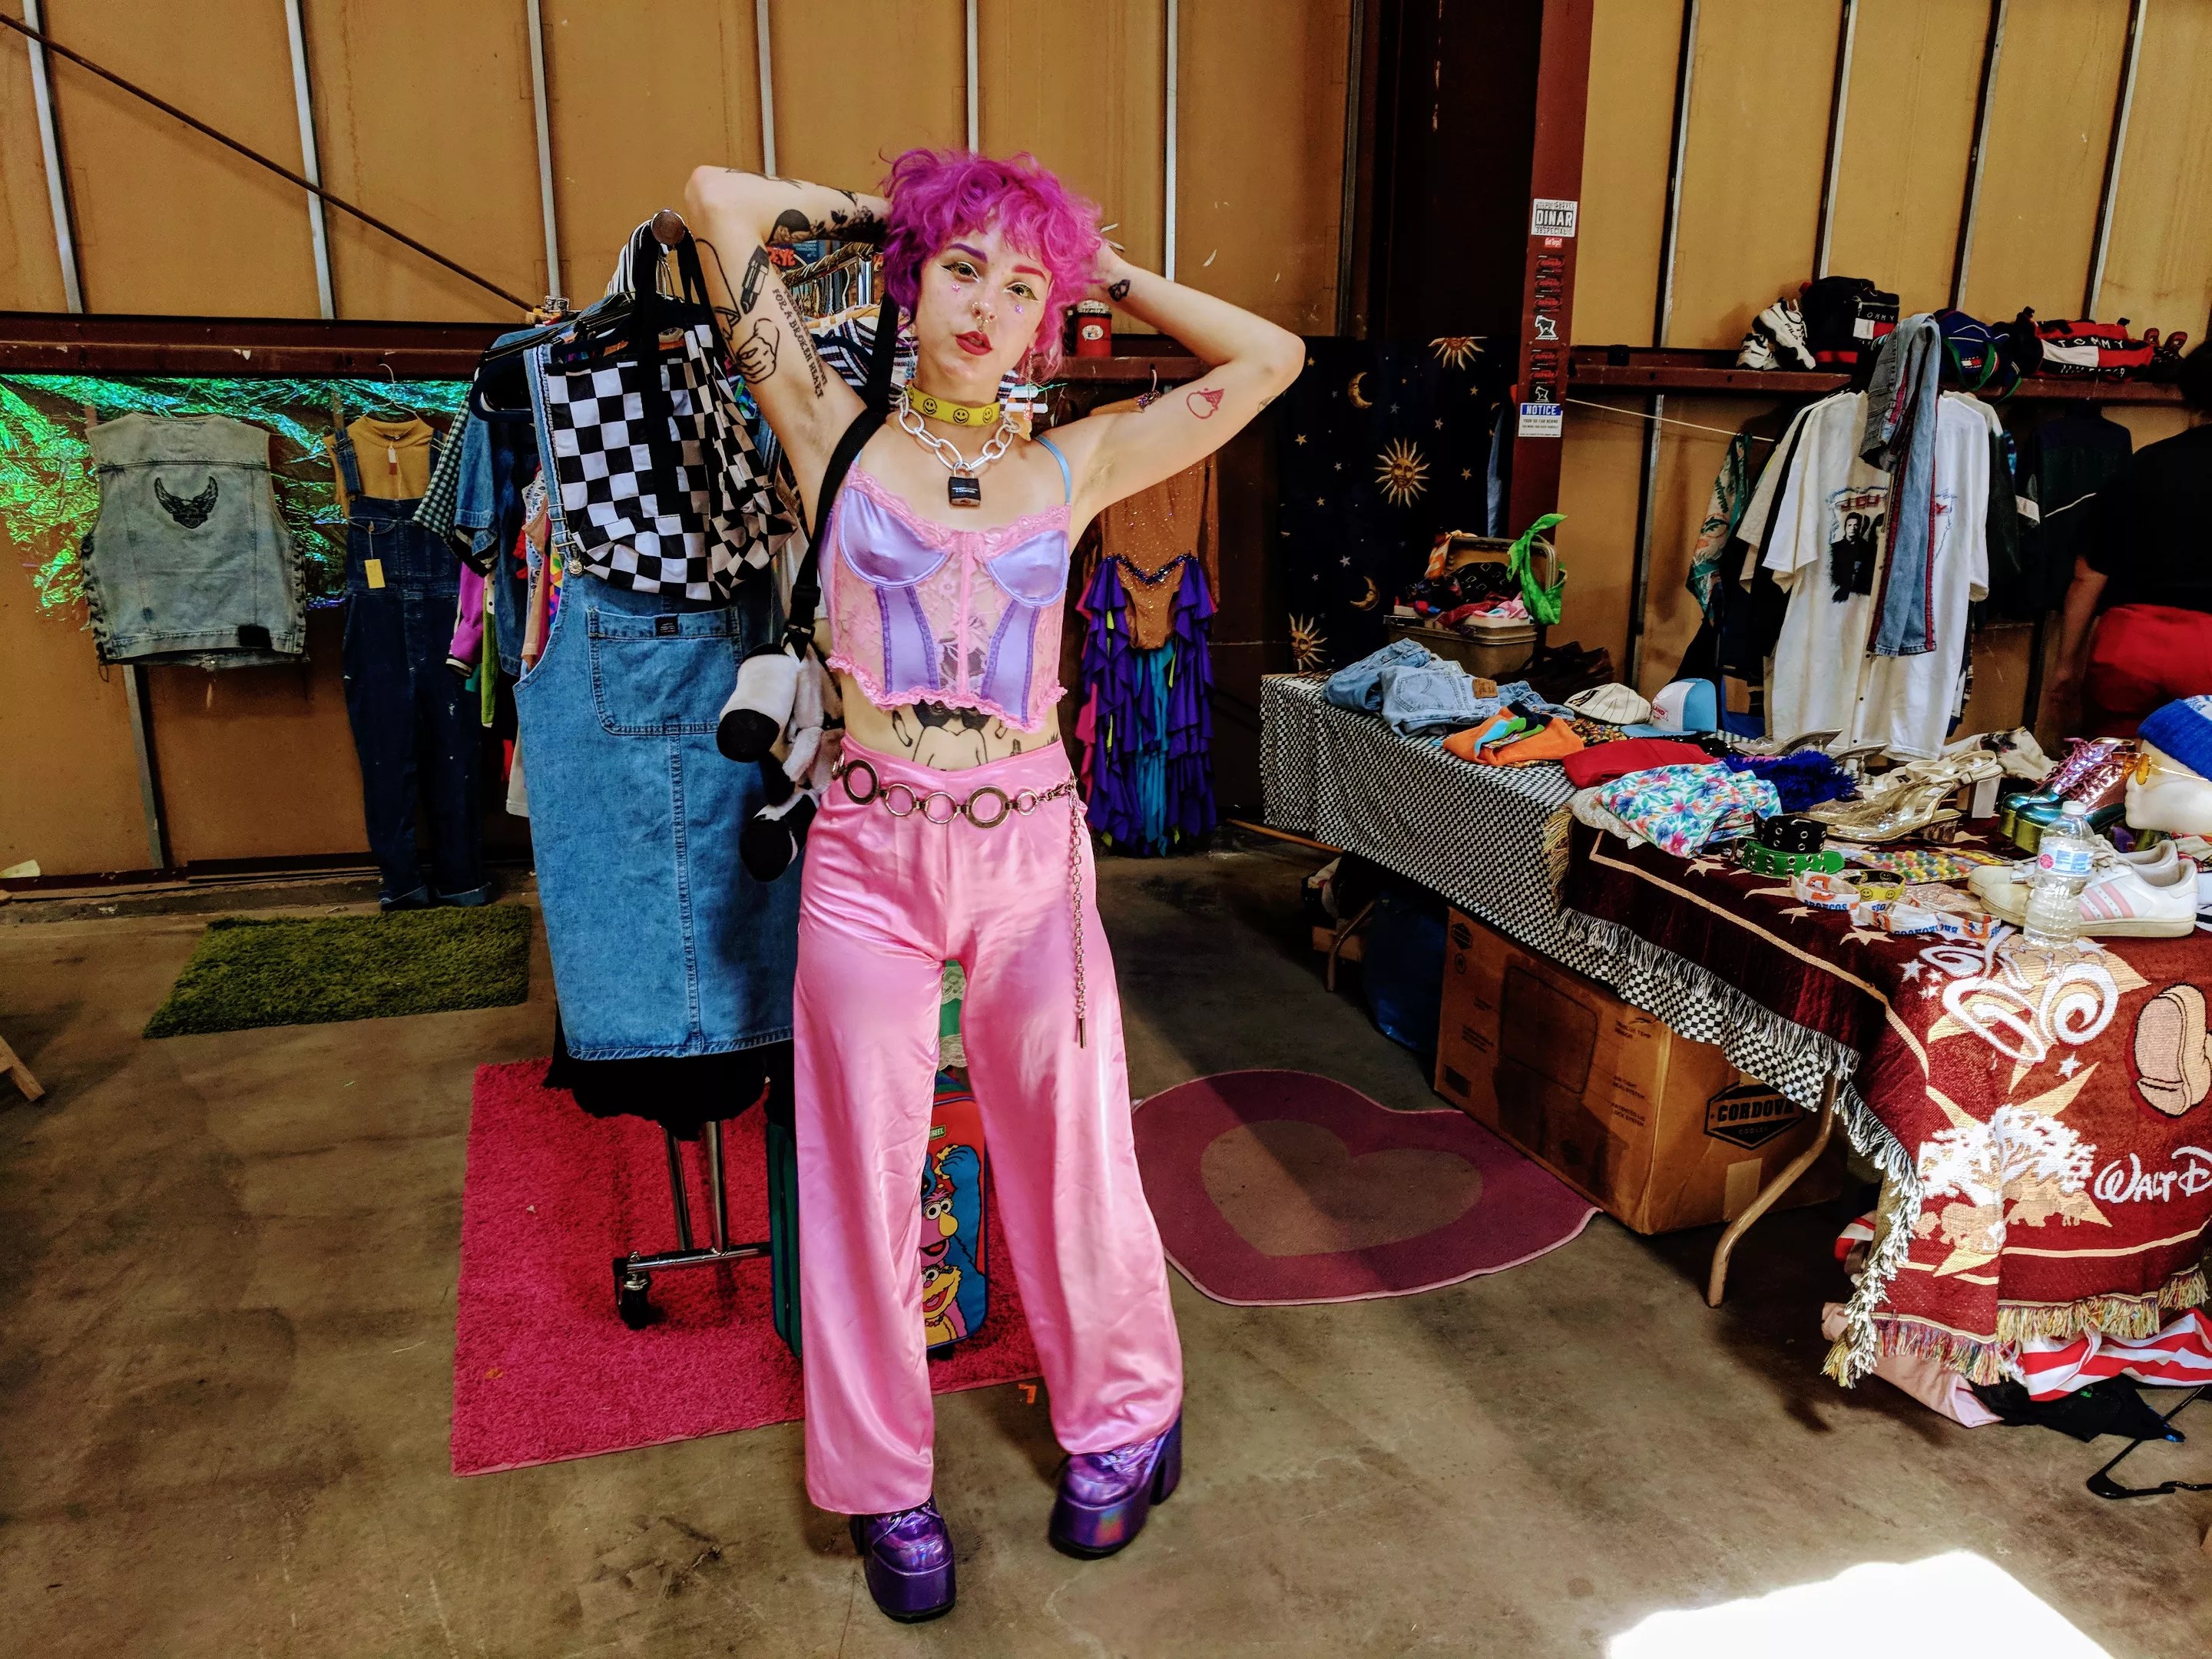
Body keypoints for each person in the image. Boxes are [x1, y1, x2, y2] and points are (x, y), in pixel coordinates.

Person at [684, 151, 1301, 1624]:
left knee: (1074, 1150)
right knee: (858, 1171)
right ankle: (882, 1484)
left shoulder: (1074, 465)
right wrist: (885, 215)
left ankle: (1125, 1419)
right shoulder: (826, 428)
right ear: (913, 282)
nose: (988, 304)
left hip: (1031, 857)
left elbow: (1272, 358)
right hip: (867, 858)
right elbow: (715, 202)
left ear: (1049, 313)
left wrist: (1107, 269)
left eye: (1023, 285)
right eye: (962, 268)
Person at [2046, 343, 2212, 734]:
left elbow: (2088, 574)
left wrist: (2065, 667)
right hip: (2207, 655)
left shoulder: (2145, 464)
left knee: (2113, 765)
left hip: (2129, 647)